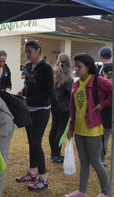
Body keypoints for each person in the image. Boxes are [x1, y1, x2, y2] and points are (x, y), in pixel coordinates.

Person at [65, 53, 111, 197]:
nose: (76, 70)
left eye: (79, 67)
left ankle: (106, 192)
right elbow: (74, 109)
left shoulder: (98, 81)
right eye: (75, 66)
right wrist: (71, 128)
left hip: (93, 129)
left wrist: (103, 104)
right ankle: (82, 191)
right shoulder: (76, 84)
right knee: (84, 162)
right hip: (79, 130)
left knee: (96, 162)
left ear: (88, 67)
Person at [16, 40, 54, 191]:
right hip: (29, 109)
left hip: (41, 110)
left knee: (36, 143)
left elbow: (48, 93)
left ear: (38, 50)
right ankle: (32, 172)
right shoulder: (28, 66)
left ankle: (43, 179)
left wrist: (28, 99)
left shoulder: (46, 68)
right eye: (26, 52)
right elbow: (28, 85)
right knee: (31, 142)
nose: (27, 54)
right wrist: (22, 92)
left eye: (29, 51)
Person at [49, 53, 73, 163]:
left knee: (54, 129)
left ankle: (53, 153)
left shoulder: (53, 74)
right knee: (61, 131)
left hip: (54, 106)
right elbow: (70, 93)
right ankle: (56, 155)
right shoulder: (68, 78)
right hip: (65, 108)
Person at [101, 62, 112, 166]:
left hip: (101, 114)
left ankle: (99, 159)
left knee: (101, 138)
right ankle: (101, 160)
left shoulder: (101, 83)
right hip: (109, 116)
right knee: (106, 138)